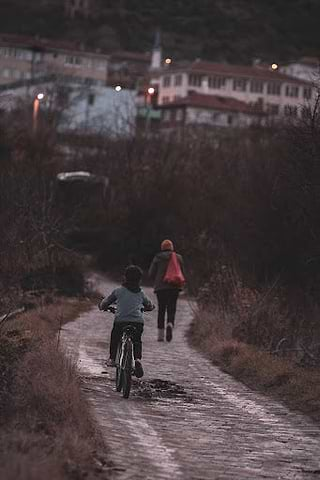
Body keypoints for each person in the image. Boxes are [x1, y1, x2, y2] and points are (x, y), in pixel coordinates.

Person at [99, 265, 154, 378]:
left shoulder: (118, 291)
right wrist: (148, 308)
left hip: (121, 321)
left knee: (115, 337)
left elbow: (105, 303)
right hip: (137, 322)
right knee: (137, 341)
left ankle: (112, 358)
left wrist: (102, 306)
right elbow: (150, 305)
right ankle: (137, 360)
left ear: (124, 277)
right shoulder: (141, 293)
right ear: (139, 279)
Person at [148, 239, 185, 342]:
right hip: (174, 287)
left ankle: (160, 335)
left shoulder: (158, 257)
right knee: (172, 308)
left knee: (161, 309)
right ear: (172, 247)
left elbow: (151, 273)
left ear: (162, 247)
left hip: (161, 288)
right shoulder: (178, 257)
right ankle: (170, 323)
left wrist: (156, 279)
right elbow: (181, 272)